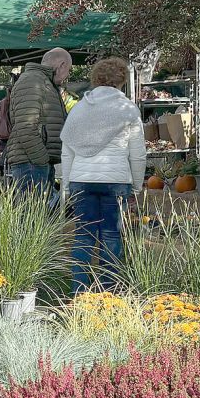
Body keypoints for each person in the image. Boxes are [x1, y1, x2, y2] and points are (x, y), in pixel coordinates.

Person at [60, 57, 145, 292]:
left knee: (83, 237)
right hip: (116, 181)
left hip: (81, 180)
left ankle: (79, 293)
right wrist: (136, 187)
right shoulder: (128, 110)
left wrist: (66, 186)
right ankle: (109, 294)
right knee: (112, 237)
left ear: (95, 79)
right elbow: (138, 155)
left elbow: (67, 152)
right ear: (122, 80)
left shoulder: (79, 109)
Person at [5, 48, 71, 197]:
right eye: (68, 70)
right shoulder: (33, 81)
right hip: (31, 163)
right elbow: (26, 126)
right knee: (32, 210)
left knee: (41, 210)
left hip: (35, 162)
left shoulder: (43, 82)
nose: (67, 76)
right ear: (62, 65)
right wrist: (42, 161)